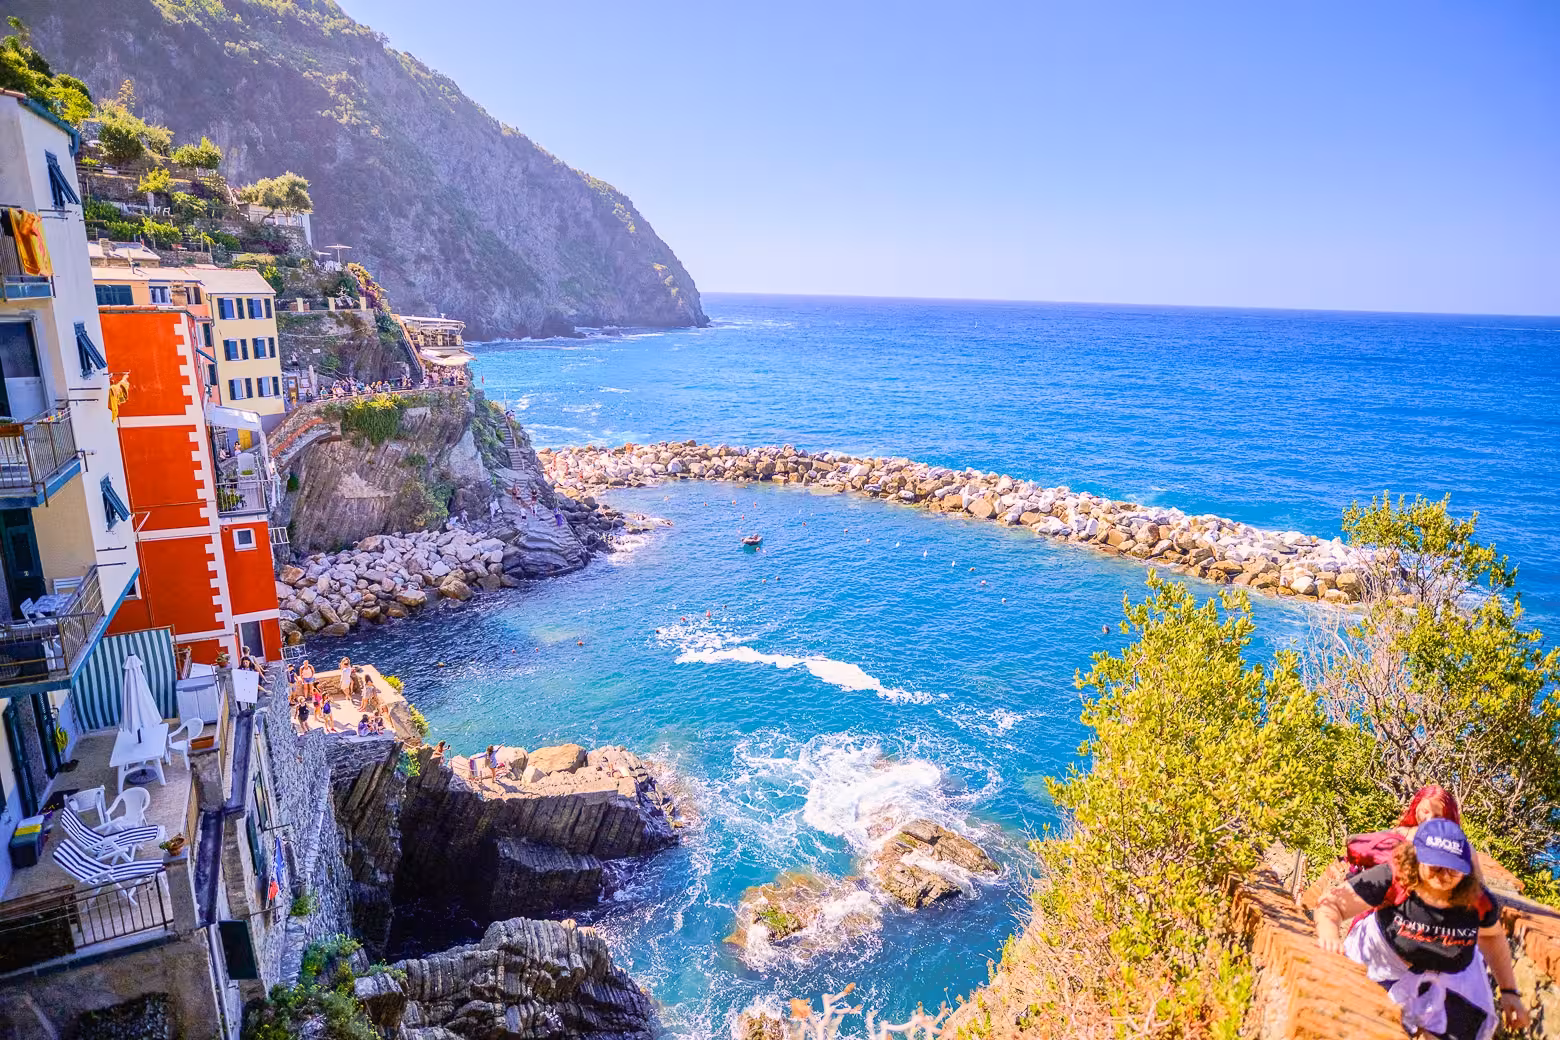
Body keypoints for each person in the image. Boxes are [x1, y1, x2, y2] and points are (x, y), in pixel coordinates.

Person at [1315, 819, 1528, 1040]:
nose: (1444, 876)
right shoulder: (1394, 878)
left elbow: (1493, 939)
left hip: (1450, 978)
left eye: (1454, 870)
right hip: (1383, 965)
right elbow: (1332, 905)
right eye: (1436, 867)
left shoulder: (1477, 901)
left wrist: (1509, 992)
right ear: (1416, 859)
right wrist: (1329, 935)